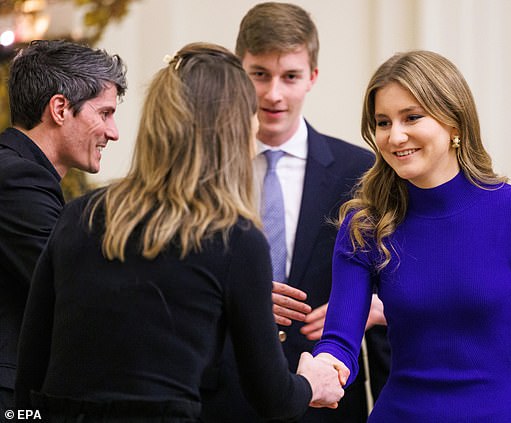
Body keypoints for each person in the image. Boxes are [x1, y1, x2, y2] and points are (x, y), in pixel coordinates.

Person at [14, 42, 345, 422]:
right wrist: (311, 382)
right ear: (233, 131)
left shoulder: (78, 215)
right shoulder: (234, 238)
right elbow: (273, 397)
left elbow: (31, 370)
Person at [312, 49, 511, 422]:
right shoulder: (365, 223)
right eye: (382, 122)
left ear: (455, 122)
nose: (395, 136)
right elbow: (340, 341)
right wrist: (326, 367)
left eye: (412, 117)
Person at [199, 2, 390, 422]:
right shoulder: (201, 171)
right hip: (221, 394)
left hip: (327, 397)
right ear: (238, 72)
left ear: (312, 78)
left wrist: (373, 310)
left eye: (290, 77)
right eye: (259, 74)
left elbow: (386, 280)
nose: (273, 94)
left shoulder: (360, 171)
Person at [0, 39, 127, 415]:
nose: (114, 131)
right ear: (59, 108)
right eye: (104, 113)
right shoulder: (15, 178)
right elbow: (78, 287)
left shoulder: (22, 175)